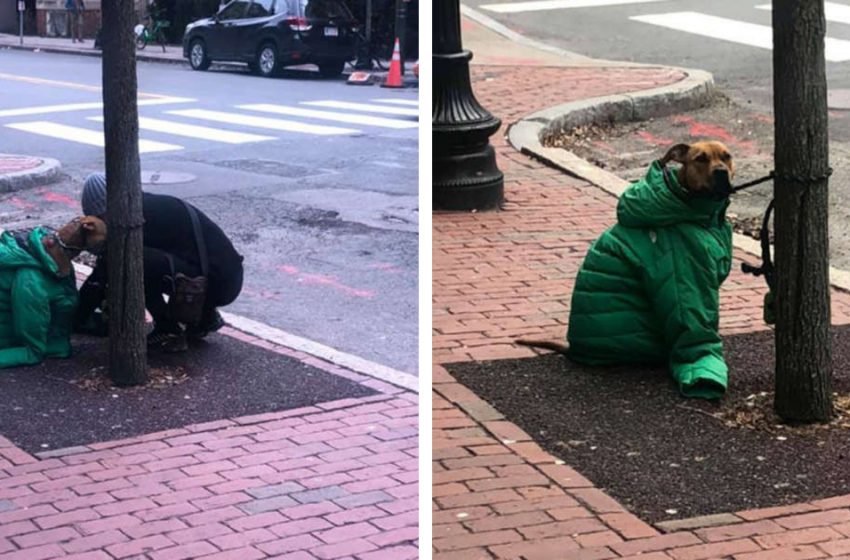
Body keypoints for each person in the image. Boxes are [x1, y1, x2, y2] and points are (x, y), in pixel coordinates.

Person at [76, 173, 244, 353]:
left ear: (107, 210)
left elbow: (101, 276)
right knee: (148, 260)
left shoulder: (132, 222)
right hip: (227, 277)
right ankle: (204, 317)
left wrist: (74, 319)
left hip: (217, 285)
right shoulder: (146, 205)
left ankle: (168, 329)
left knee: (129, 261)